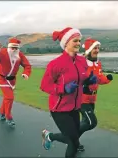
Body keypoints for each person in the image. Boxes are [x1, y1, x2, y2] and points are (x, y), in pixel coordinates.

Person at [40, 27, 97, 158]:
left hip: (75, 107)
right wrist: (63, 89)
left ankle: (49, 136)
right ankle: (50, 136)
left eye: (79, 40)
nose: (78, 43)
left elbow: (80, 82)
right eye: (75, 41)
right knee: (73, 142)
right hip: (59, 109)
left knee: (74, 139)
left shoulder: (82, 61)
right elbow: (44, 85)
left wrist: (88, 81)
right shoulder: (56, 64)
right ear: (66, 43)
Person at [77, 38, 113, 151]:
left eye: (98, 48)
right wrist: (88, 79)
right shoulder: (82, 63)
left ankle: (74, 142)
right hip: (81, 99)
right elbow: (80, 78)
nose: (97, 50)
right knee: (92, 122)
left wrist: (106, 79)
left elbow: (98, 78)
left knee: (84, 122)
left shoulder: (97, 64)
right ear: (88, 50)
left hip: (92, 99)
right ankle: (69, 137)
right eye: (94, 48)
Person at [0, 38, 31, 127]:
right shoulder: (2, 53)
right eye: (12, 48)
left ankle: (1, 111)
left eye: (16, 48)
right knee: (10, 97)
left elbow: (27, 65)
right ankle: (8, 117)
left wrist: (26, 73)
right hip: (2, 78)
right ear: (9, 47)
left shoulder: (20, 55)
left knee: (7, 97)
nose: (14, 50)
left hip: (12, 80)